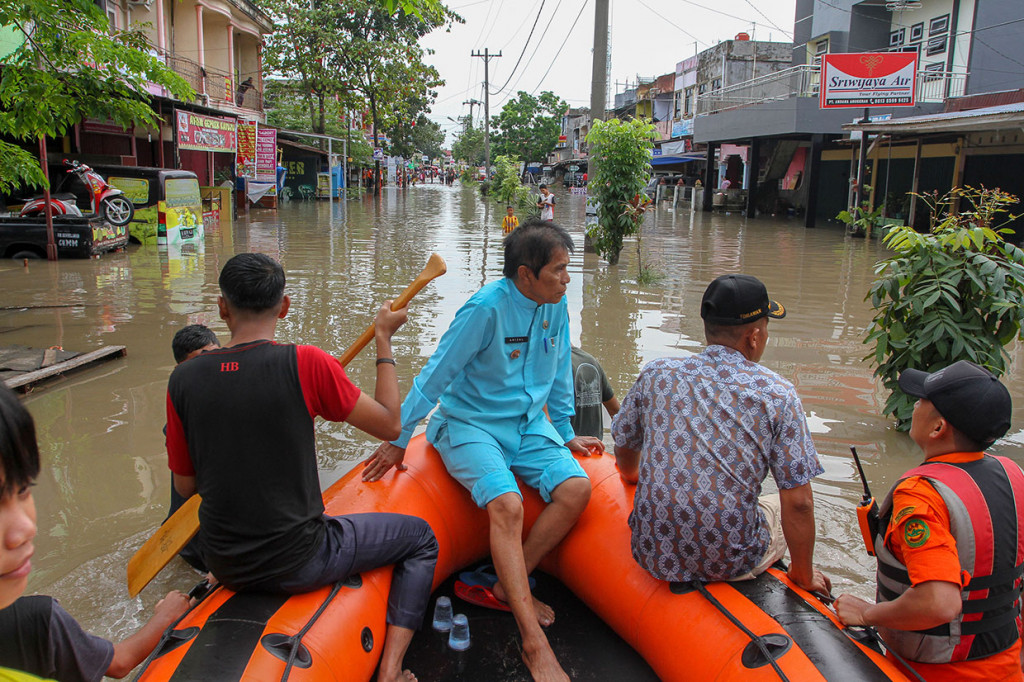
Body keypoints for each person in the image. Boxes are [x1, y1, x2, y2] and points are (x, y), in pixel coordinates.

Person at [165, 253, 438, 682]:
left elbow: (185, 484)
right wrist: (383, 339)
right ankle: (391, 670)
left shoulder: (183, 380)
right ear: (285, 306)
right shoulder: (307, 363)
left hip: (224, 560)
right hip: (300, 559)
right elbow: (390, 423)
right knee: (421, 538)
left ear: (222, 308)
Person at [364, 220, 603, 682]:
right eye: (558, 271)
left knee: (576, 489)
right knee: (507, 504)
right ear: (524, 275)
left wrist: (567, 430)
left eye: (567, 270)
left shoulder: (556, 307)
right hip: (470, 425)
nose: (567, 280)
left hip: (529, 425)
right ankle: (534, 643)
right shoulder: (485, 309)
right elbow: (435, 374)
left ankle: (506, 584)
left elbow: (557, 373)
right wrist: (398, 438)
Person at [611, 274, 830, 595]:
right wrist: (804, 575)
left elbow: (624, 445)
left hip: (650, 548)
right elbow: (799, 503)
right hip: (728, 560)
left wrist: (632, 477)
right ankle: (792, 572)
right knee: (781, 505)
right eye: (767, 327)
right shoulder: (777, 394)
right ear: (754, 337)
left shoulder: (657, 373)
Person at [835, 361, 1024, 682]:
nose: (915, 405)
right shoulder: (1013, 474)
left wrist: (867, 614)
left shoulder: (920, 496)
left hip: (936, 672)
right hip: (1006, 663)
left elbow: (938, 603)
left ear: (938, 428)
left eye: (922, 400)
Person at [0, 384, 191, 682]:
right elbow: (119, 663)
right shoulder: (34, 623)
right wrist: (165, 616)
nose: (25, 529)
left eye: (22, 490)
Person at [165, 324, 220, 572]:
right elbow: (187, 488)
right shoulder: (184, 411)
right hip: (198, 541)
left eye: (213, 357)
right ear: (181, 370)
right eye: (199, 362)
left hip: (198, 538)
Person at [569, 346, 619, 440]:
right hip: (595, 449)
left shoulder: (550, 365)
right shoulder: (591, 361)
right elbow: (615, 411)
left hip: (565, 447)